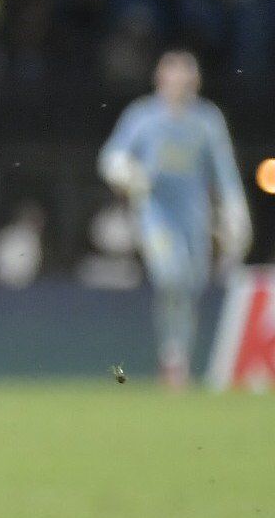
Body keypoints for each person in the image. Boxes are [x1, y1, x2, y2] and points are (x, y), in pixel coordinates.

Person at [99, 49, 250, 389]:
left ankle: (178, 358)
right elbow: (111, 156)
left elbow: (224, 170)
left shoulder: (206, 120)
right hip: (155, 215)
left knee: (191, 285)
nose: (178, 85)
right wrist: (126, 172)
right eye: (172, 78)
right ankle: (172, 358)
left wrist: (236, 211)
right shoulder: (143, 117)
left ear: (194, 83)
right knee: (171, 276)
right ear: (160, 80)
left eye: (185, 79)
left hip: (194, 217)